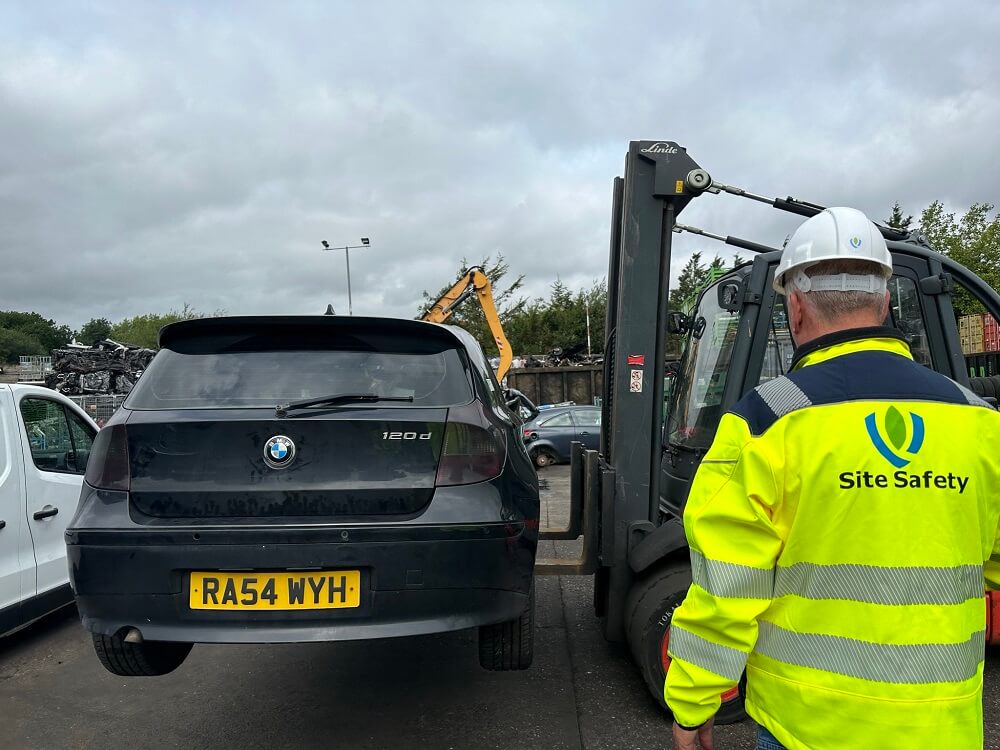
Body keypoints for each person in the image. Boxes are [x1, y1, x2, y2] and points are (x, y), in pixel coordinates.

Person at [663, 207, 1000, 750]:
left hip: (806, 725)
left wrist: (692, 703)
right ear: (886, 299)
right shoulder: (980, 422)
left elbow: (726, 589)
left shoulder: (763, 424)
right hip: (943, 727)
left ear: (795, 305)